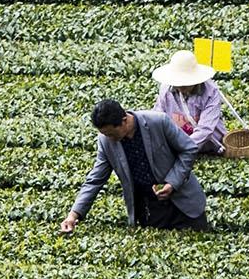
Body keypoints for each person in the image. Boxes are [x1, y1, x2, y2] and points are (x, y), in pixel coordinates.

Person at [62, 98, 209, 232]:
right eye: (105, 134)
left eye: (111, 134)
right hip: (150, 209)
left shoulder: (158, 122)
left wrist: (172, 182)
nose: (109, 139)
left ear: (124, 120)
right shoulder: (105, 140)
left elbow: (189, 149)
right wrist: (73, 215)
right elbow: (95, 180)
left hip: (184, 204)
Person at [153, 49, 226, 154]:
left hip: (207, 144)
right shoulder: (166, 90)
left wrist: (183, 148)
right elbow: (157, 118)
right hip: (178, 141)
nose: (181, 86)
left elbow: (205, 129)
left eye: (186, 83)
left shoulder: (210, 92)